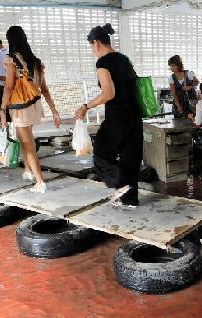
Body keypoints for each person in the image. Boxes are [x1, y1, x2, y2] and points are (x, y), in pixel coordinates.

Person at [74, 24, 142, 208]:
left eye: (90, 46)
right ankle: (130, 200)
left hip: (117, 117)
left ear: (96, 43)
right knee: (130, 157)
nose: (92, 50)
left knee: (102, 154)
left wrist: (86, 106)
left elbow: (108, 93)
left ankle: (121, 184)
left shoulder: (103, 63)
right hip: (134, 115)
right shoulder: (124, 59)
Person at [0, 26, 61, 193]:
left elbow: (8, 87)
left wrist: (2, 109)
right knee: (23, 138)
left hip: (20, 108)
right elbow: (44, 88)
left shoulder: (11, 59)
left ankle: (40, 182)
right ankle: (28, 170)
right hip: (34, 105)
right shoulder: (36, 61)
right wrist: (54, 111)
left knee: (28, 144)